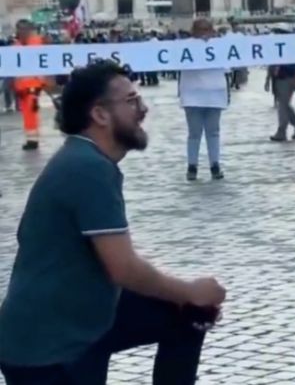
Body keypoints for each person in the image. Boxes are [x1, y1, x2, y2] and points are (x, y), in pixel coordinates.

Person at [0, 60, 226, 383]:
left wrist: (187, 300)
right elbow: (124, 269)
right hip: (47, 348)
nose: (143, 108)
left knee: (187, 314)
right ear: (100, 114)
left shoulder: (87, 160)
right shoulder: (87, 168)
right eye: (132, 100)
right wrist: (189, 290)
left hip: (82, 318)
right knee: (188, 303)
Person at [178, 18, 230, 181]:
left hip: (203, 94)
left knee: (202, 133)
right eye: (203, 30)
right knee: (206, 133)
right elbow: (227, 70)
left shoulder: (183, 46)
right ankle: (203, 166)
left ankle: (202, 166)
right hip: (202, 94)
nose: (204, 34)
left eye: (206, 30)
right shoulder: (217, 47)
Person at [12, 20, 50, 151]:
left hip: (33, 86)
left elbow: (42, 64)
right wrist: (16, 86)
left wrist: (41, 84)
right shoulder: (17, 45)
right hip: (21, 87)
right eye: (19, 29)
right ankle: (30, 138)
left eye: (23, 29)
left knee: (31, 111)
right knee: (26, 113)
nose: (20, 32)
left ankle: (33, 140)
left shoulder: (36, 43)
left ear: (28, 30)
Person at [269, 62, 295, 142]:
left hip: (286, 76)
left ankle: (282, 131)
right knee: (284, 104)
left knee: (283, 105)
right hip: (287, 75)